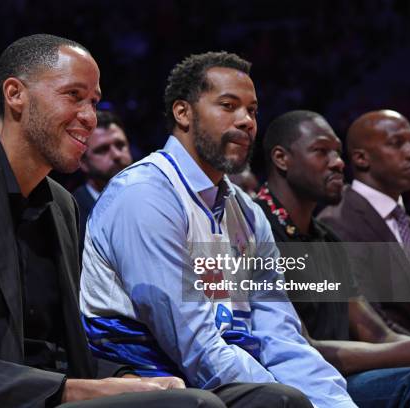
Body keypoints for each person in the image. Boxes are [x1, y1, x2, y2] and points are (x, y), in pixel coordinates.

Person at [0, 34, 228, 408]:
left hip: (55, 394)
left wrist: (129, 379)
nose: (89, 117)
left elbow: (71, 347)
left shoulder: (61, 205)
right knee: (196, 406)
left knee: (266, 398)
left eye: (94, 101)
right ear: (15, 94)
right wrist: (75, 389)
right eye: (73, 96)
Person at [80, 52, 355, 408]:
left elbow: (281, 337)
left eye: (252, 110)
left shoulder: (248, 212)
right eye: (228, 105)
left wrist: (332, 402)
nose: (246, 121)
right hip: (148, 382)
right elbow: (193, 347)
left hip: (234, 384)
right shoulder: (145, 195)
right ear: (183, 113)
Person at [255, 110, 410, 408]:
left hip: (341, 376)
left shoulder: (327, 237)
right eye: (321, 151)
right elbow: (298, 349)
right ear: (281, 159)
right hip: (293, 382)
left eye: (337, 153)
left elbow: (377, 334)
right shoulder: (254, 227)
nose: (338, 163)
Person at [318, 110, 410, 336]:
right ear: (361, 158)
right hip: (385, 362)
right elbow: (368, 323)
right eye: (397, 143)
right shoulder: (336, 222)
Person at [73, 110, 132, 249]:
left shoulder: (152, 196)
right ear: (83, 162)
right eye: (103, 150)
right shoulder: (73, 215)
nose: (116, 155)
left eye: (120, 145)